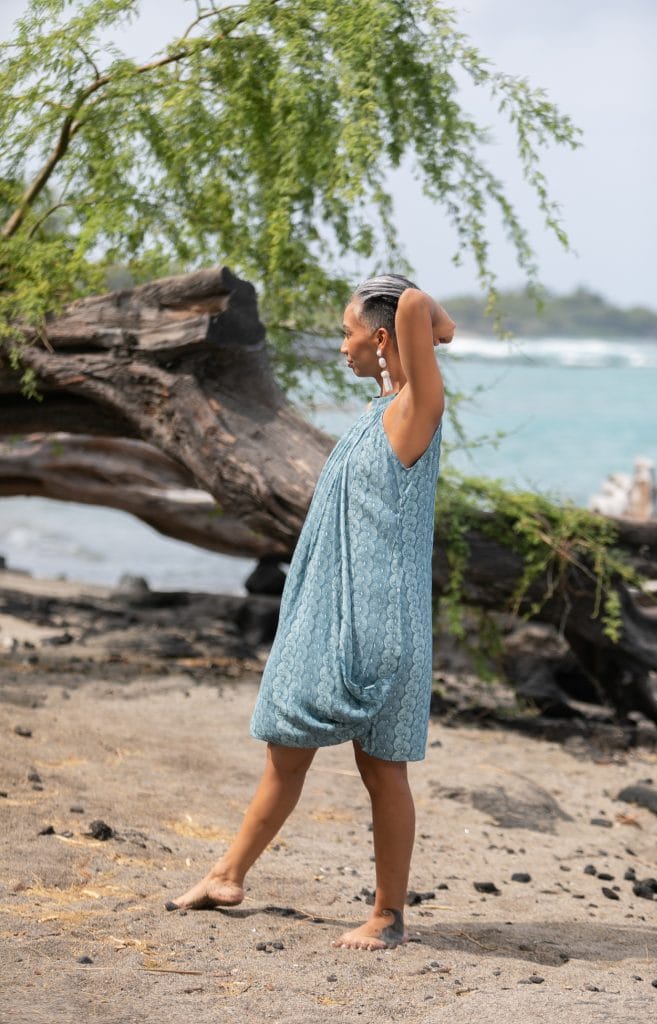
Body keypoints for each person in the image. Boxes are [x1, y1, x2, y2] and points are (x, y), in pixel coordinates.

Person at [166, 275, 456, 950]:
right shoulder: (381, 409)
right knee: (284, 750)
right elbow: (432, 326)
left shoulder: (416, 411)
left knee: (379, 769)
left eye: (347, 330)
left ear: (381, 339)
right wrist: (408, 323)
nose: (339, 344)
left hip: (377, 624)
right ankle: (226, 874)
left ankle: (386, 916)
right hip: (340, 617)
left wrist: (394, 295)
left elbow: (423, 315)